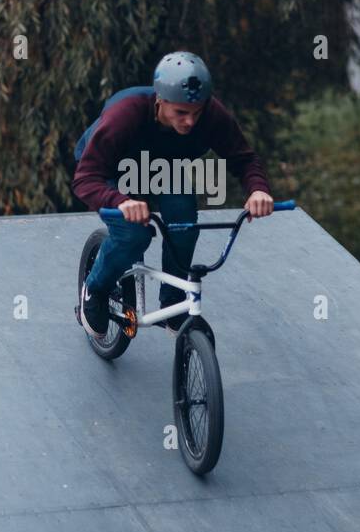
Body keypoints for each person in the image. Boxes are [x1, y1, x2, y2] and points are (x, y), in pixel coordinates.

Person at [72, 51, 274, 337]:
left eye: (196, 112)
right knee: (134, 235)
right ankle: (95, 289)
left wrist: (258, 191)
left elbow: (244, 158)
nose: (190, 122)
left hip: (162, 168)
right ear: (160, 100)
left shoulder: (211, 114)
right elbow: (85, 178)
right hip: (110, 170)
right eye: (181, 113)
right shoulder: (125, 115)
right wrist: (122, 201)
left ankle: (174, 305)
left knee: (185, 226)